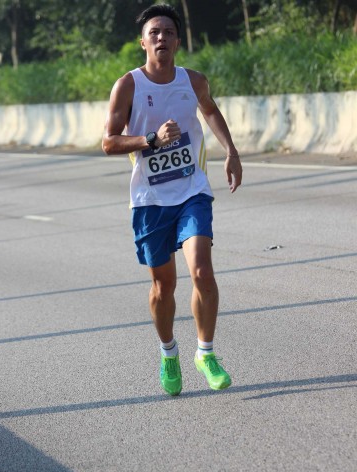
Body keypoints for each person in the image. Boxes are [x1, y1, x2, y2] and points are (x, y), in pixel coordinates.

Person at [102, 3, 242, 396]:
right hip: (149, 200)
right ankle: (168, 353)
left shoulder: (192, 80)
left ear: (178, 41)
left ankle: (206, 353)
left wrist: (231, 151)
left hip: (192, 191)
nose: (161, 37)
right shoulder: (128, 85)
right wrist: (151, 140)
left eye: (168, 32)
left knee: (202, 272)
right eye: (154, 32)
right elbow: (108, 142)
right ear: (143, 42)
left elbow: (210, 111)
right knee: (163, 287)